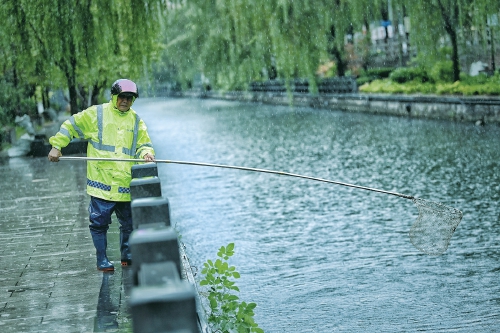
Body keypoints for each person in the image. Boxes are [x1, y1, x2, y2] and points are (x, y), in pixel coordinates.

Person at [48, 79, 156, 271]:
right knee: (99, 223)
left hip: (124, 184)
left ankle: (127, 255)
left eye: (130, 98)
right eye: (122, 96)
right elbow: (71, 125)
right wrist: (57, 146)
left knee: (129, 223)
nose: (125, 101)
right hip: (101, 184)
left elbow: (143, 144)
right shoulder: (96, 114)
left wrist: (147, 154)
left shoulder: (137, 121)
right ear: (114, 96)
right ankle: (102, 259)